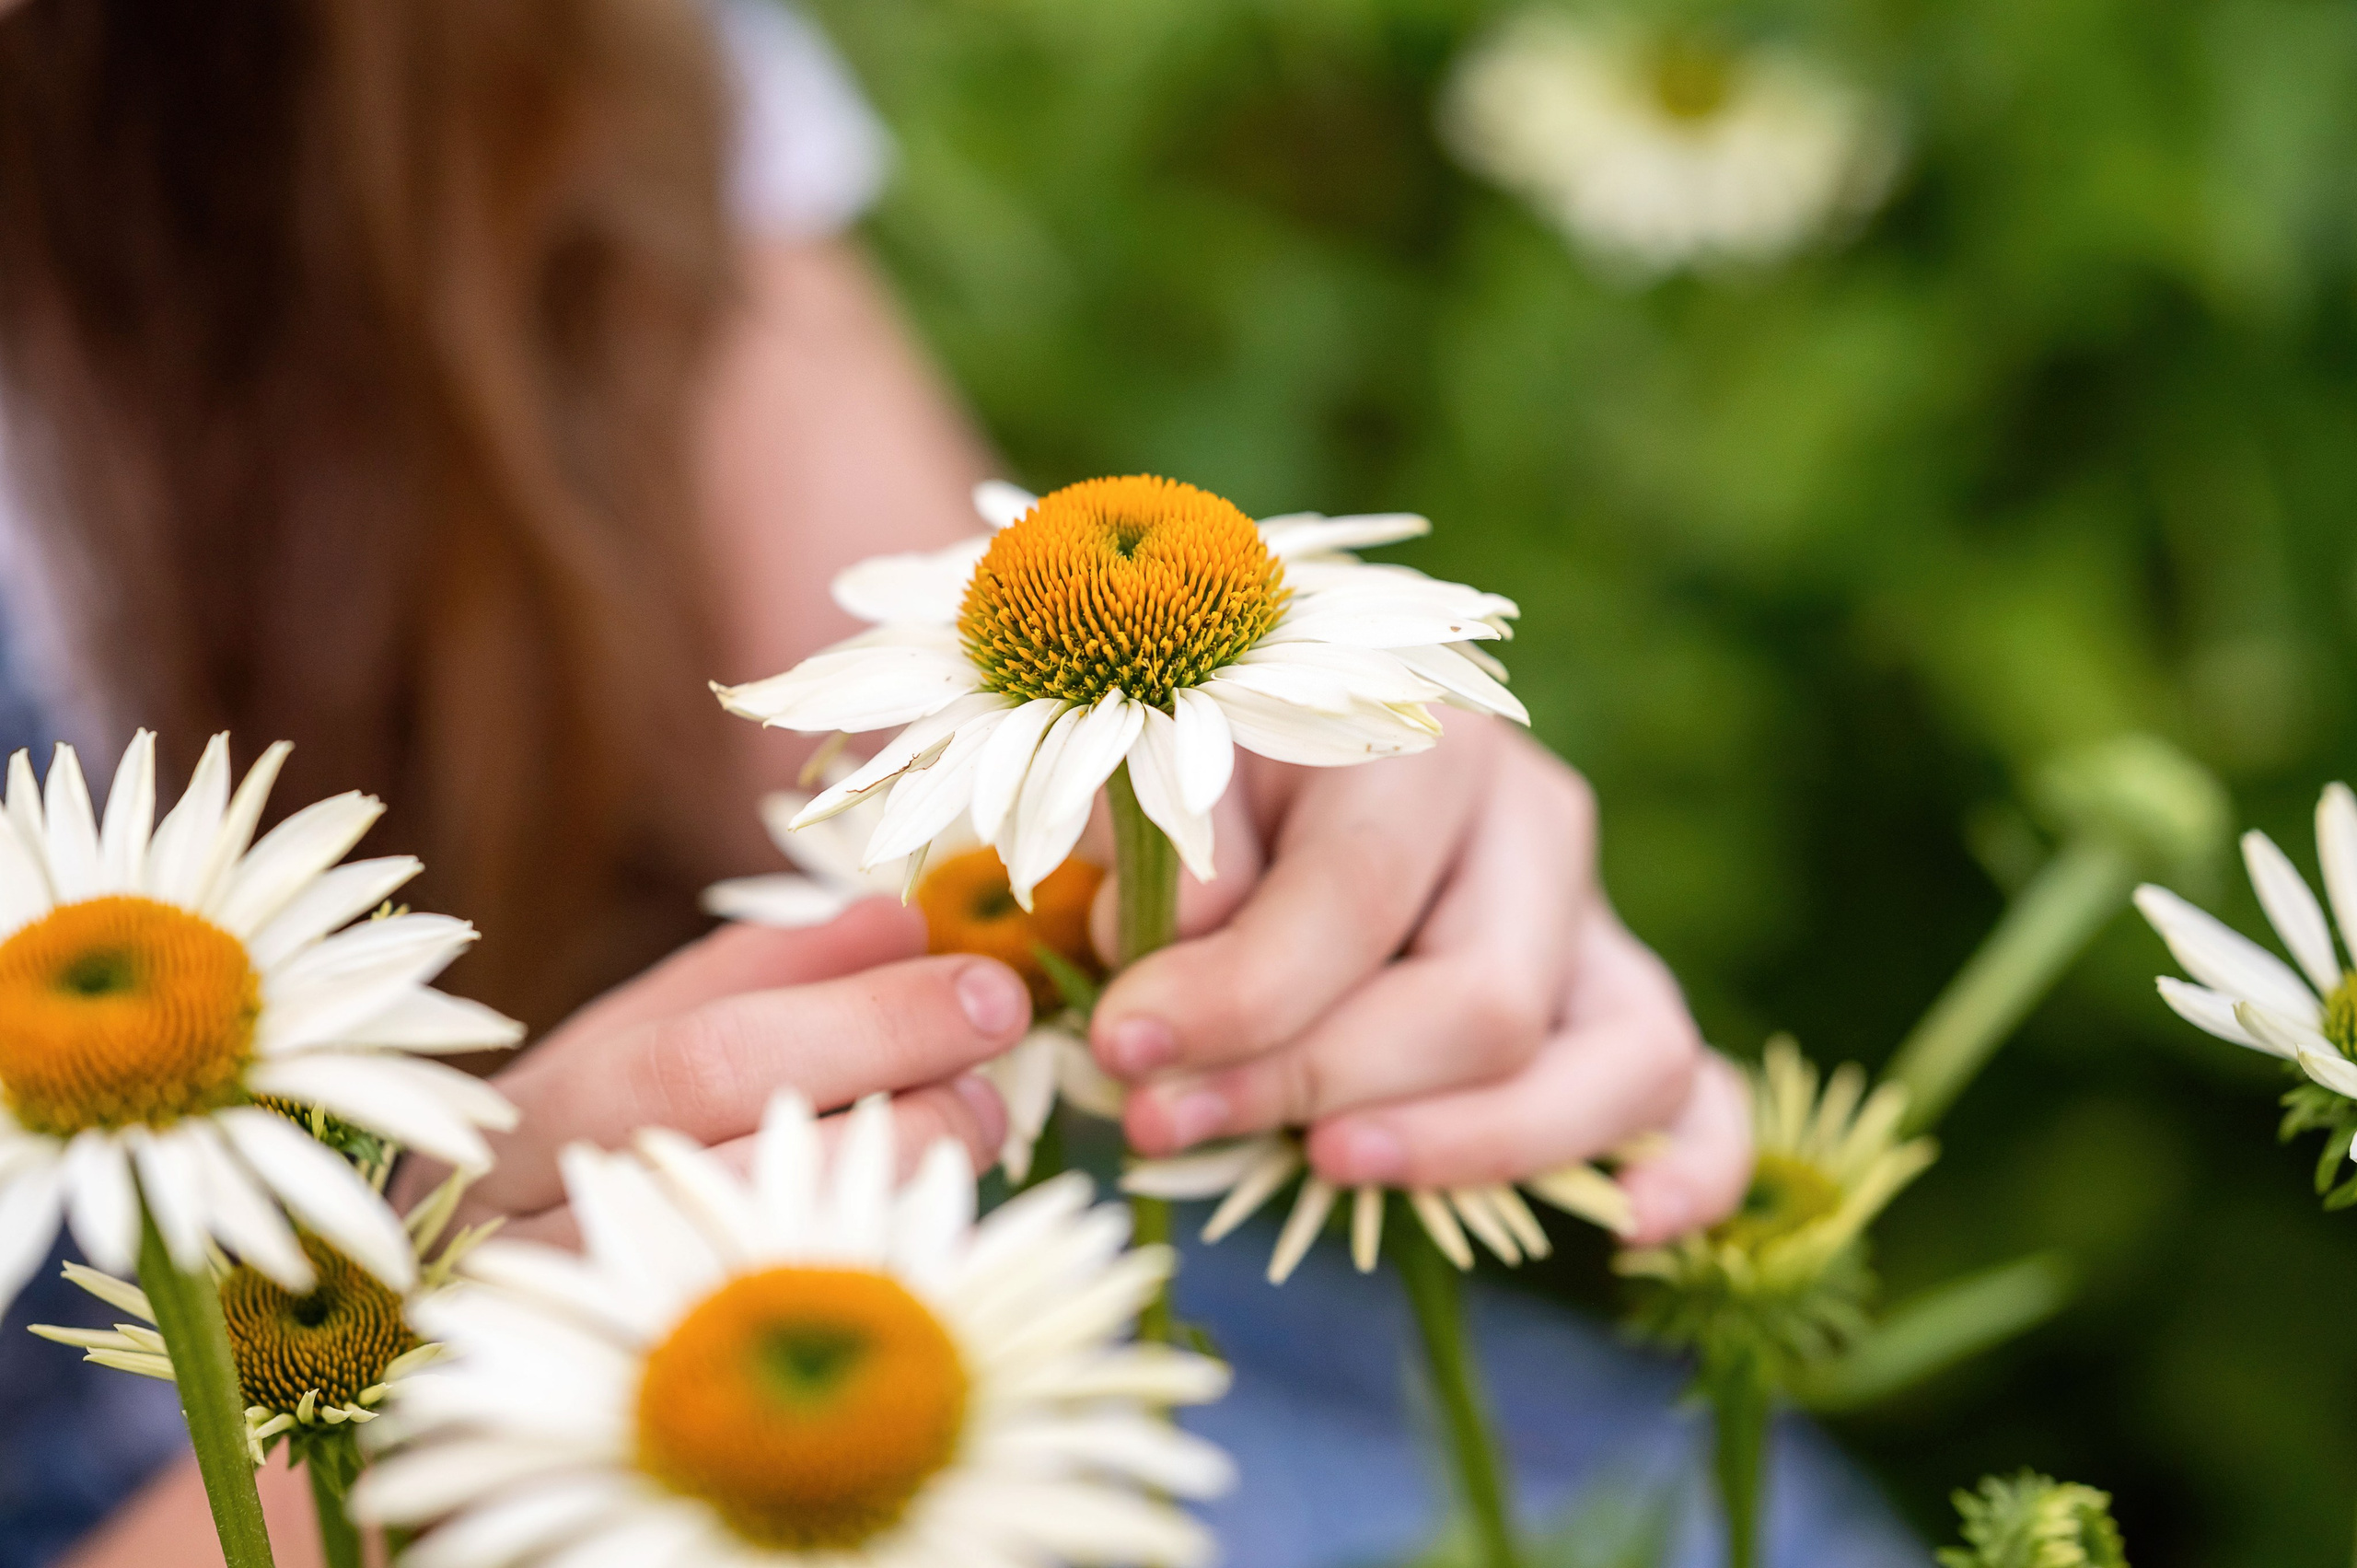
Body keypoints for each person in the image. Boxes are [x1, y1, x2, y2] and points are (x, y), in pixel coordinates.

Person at [0, 1, 1758, 1564]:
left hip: (843, 1314)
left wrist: (1311, 797)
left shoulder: (484, 53)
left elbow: (891, 676)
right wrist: (408, 1428)